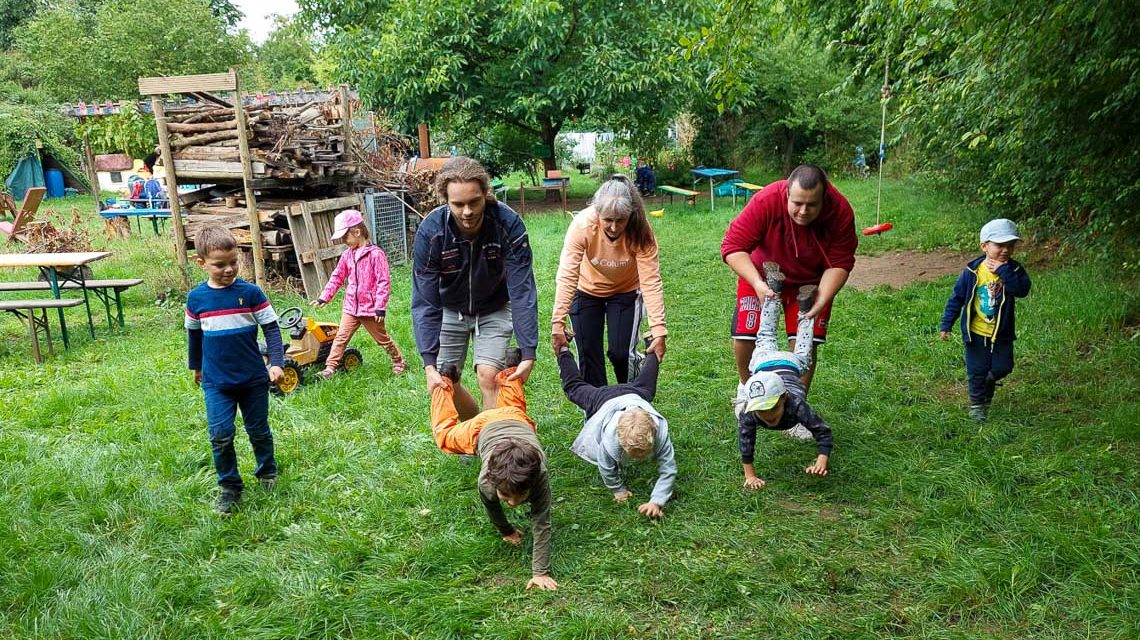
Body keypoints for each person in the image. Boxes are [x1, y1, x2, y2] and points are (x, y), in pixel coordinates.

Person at [720, 164, 856, 439]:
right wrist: (757, 283)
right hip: (760, 274)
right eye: (797, 203)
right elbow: (732, 247)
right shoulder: (767, 200)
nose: (803, 211)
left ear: (824, 198)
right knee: (745, 336)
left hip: (810, 283)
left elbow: (841, 261)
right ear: (786, 196)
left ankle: (795, 406)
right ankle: (748, 390)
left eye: (811, 205)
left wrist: (824, 297)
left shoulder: (840, 211)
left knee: (806, 345)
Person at [412, 157, 539, 419]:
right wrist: (428, 363)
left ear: (486, 194)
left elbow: (522, 289)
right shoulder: (431, 232)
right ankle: (478, 433)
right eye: (458, 204)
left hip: (494, 306)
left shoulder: (508, 224)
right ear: (445, 200)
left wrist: (528, 352)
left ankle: (495, 449)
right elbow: (425, 300)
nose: (467, 212)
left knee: (490, 376)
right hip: (450, 309)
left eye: (474, 202)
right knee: (446, 379)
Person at [429, 355, 558, 591]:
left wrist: (540, 572)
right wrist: (505, 530)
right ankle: (445, 382)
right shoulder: (487, 482)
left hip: (515, 420)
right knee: (444, 435)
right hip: (481, 429)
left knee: (515, 407)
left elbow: (542, 521)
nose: (511, 503)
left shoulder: (539, 475)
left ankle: (511, 369)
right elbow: (491, 505)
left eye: (517, 497)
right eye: (506, 496)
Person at [185, 226, 285, 514]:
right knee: (220, 434)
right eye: (220, 265)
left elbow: (271, 328)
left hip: (253, 378)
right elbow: (194, 336)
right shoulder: (196, 299)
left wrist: (276, 362)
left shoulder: (251, 293)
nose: (228, 270)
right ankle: (229, 486)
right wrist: (196, 366)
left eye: (233, 262)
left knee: (258, 430)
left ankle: (267, 472)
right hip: (216, 381)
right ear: (201, 263)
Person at [551, 175, 666, 386]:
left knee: (621, 354)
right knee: (589, 356)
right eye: (608, 220)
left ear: (631, 214)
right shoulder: (582, 226)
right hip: (585, 289)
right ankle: (597, 412)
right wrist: (558, 323)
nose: (613, 227)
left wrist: (658, 329)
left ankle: (632, 401)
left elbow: (650, 280)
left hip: (625, 291)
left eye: (620, 220)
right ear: (597, 213)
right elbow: (567, 274)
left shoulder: (641, 231)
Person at [735, 262, 832, 489]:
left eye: (772, 408)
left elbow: (823, 431)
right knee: (767, 334)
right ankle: (797, 304)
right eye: (763, 409)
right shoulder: (752, 412)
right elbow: (745, 440)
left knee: (800, 351)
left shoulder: (796, 405)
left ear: (785, 398)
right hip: (765, 363)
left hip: (783, 364)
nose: (767, 415)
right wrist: (749, 475)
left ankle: (789, 302)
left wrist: (822, 460)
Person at [557, 346, 676, 518]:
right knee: (574, 388)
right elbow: (606, 467)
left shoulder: (660, 433)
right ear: (619, 439)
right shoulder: (610, 438)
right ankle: (563, 351)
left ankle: (653, 345)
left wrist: (656, 501)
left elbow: (669, 469)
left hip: (635, 395)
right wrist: (618, 490)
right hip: (601, 399)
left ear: (653, 432)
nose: (638, 459)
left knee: (648, 383)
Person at [940, 218, 1032, 421]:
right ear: (984, 246)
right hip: (975, 333)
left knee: (1003, 367)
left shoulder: (1014, 270)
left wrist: (1002, 270)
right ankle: (977, 405)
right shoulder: (972, 271)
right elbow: (957, 298)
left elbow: (1022, 290)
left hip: (1002, 333)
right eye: (1000, 245)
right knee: (976, 370)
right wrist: (947, 323)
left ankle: (990, 382)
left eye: (1011, 245)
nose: (1006, 250)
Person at [311, 209, 407, 378]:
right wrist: (324, 296)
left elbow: (383, 282)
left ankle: (398, 360)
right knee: (340, 337)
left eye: (345, 237)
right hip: (351, 308)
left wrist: (380, 307)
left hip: (370, 310)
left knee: (382, 339)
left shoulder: (376, 255)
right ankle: (330, 368)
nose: (343, 241)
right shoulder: (347, 255)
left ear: (357, 232)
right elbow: (337, 277)